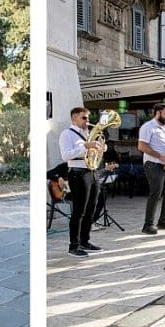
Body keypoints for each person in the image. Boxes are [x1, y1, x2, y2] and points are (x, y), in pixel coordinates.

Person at [60, 107, 103, 257]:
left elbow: (95, 153)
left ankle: (85, 241)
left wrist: (100, 149)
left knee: (91, 209)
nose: (88, 121)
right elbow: (65, 156)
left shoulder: (88, 134)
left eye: (88, 118)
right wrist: (85, 146)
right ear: (74, 119)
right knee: (79, 211)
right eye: (84, 118)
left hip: (92, 171)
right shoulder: (67, 134)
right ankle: (74, 246)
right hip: (78, 173)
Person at [138, 103, 165, 234]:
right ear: (158, 113)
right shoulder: (148, 127)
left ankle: (163, 219)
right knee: (156, 193)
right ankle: (148, 224)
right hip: (153, 163)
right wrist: (160, 156)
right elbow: (142, 146)